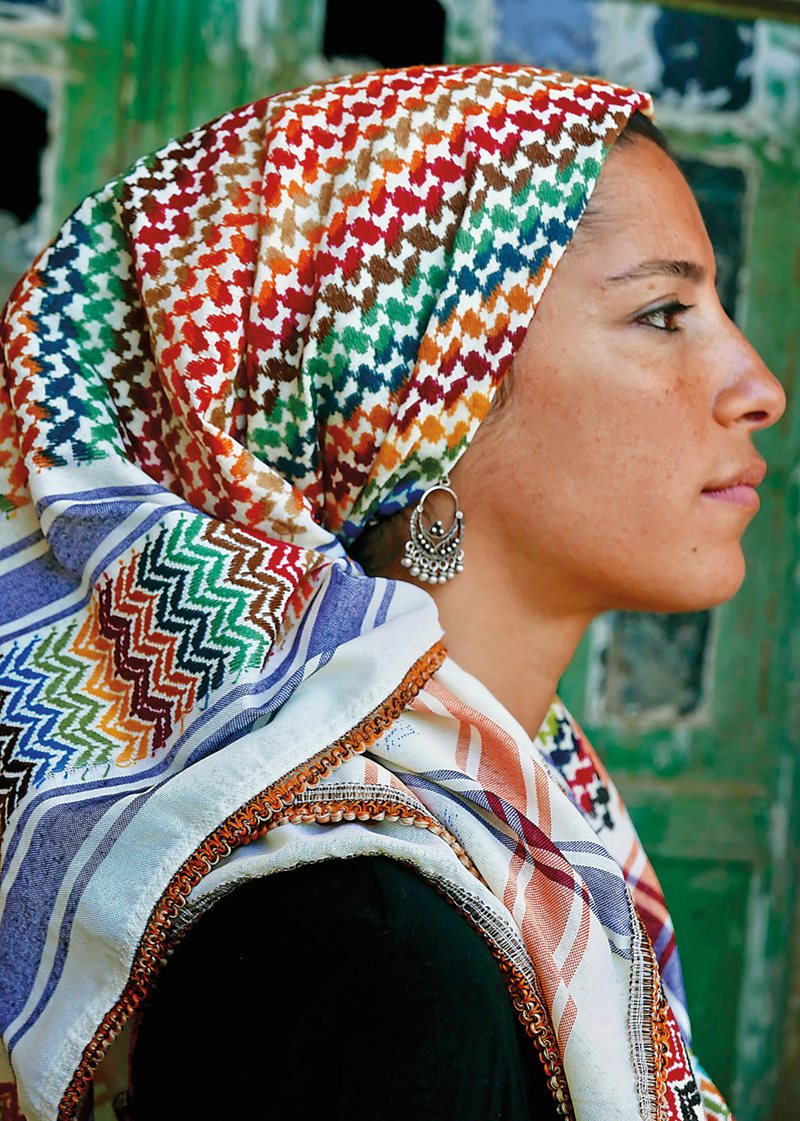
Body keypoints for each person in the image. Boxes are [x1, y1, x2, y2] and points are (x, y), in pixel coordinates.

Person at [0, 62, 784, 1121]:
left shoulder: (531, 828)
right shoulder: (354, 943)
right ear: (420, 401)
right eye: (660, 312)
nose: (756, 387)